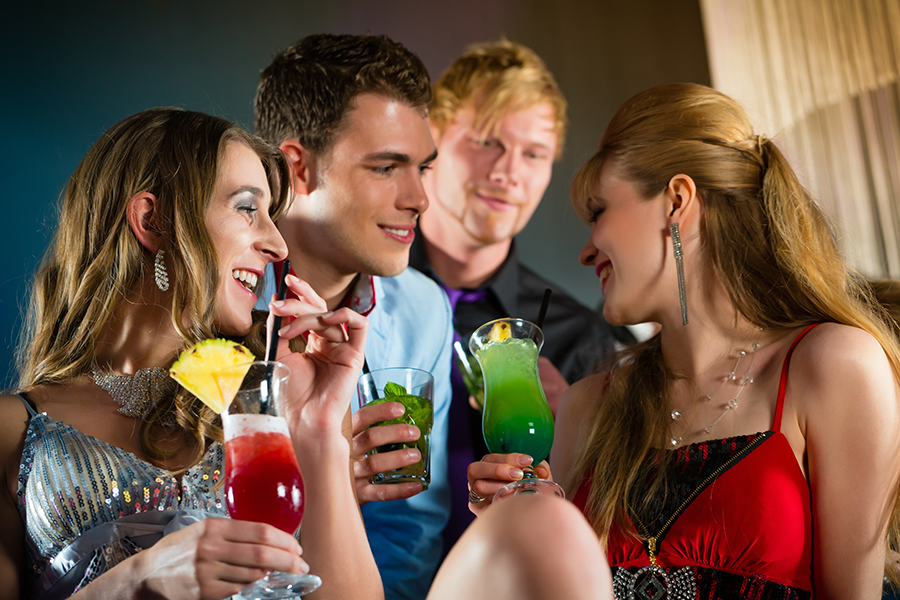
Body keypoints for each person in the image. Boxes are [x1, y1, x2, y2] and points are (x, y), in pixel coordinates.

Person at [467, 83, 900, 598]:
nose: (586, 251)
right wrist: (515, 533)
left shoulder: (834, 365)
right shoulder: (587, 406)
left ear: (677, 201)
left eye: (599, 212)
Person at [0, 108, 381, 600]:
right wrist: (139, 580)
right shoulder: (14, 429)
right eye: (247, 208)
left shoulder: (275, 406)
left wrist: (319, 427)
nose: (277, 244)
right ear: (152, 220)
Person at [253, 34, 454, 600]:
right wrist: (329, 480)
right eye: (387, 167)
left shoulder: (424, 310)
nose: (418, 198)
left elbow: (409, 531)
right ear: (298, 168)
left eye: (422, 168)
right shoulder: (208, 298)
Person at [408, 38, 623, 553]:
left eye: (534, 154)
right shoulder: (359, 305)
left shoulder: (580, 339)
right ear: (431, 138)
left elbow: (608, 533)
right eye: (487, 141)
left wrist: (582, 437)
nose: (508, 172)